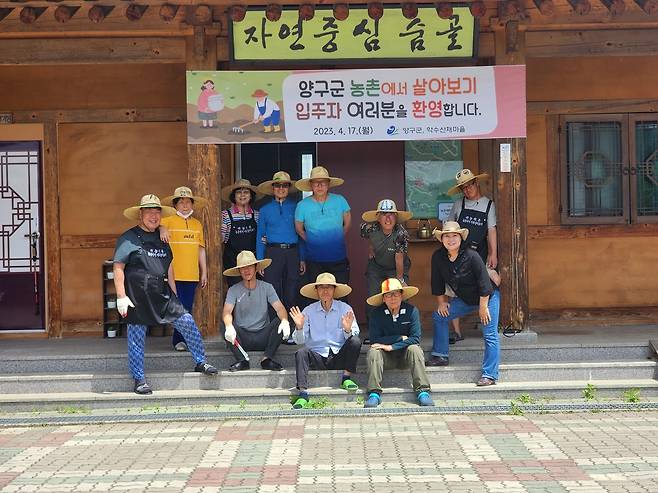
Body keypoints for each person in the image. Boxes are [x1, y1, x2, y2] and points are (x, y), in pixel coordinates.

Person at [113, 194, 217, 395]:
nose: (153, 216)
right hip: (136, 296)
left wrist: (174, 293)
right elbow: (119, 267)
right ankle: (139, 378)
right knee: (136, 337)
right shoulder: (128, 238)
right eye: (149, 212)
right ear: (140, 214)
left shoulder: (163, 236)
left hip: (162, 293)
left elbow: (168, 267)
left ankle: (200, 361)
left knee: (187, 321)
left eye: (157, 212)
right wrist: (120, 296)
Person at [427, 221, 500, 387]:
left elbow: (485, 285)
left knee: (489, 333)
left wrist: (483, 308)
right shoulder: (438, 257)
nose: (451, 239)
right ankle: (440, 355)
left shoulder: (472, 256)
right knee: (439, 316)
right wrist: (441, 303)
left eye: (454, 235)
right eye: (447, 236)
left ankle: (489, 374)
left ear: (460, 238)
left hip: (487, 297)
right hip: (466, 299)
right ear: (441, 239)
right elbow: (436, 283)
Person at [288, 273, 361, 409]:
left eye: (329, 287)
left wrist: (347, 330)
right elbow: (299, 341)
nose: (325, 291)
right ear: (316, 291)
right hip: (318, 357)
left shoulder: (345, 308)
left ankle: (346, 378)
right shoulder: (308, 311)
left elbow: (355, 333)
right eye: (321, 287)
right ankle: (303, 394)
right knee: (301, 352)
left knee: (355, 341)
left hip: (339, 356)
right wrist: (299, 327)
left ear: (334, 290)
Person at [443, 168, 498, 344]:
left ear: (476, 183)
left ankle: (488, 327)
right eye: (463, 188)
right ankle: (457, 332)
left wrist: (493, 253)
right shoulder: (459, 205)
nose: (467, 190)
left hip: (480, 254)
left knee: (488, 287)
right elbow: (449, 227)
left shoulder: (489, 205)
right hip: (459, 254)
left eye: (469, 185)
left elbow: (491, 230)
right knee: (452, 291)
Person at [364, 278, 433, 408]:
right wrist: (400, 338)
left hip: (406, 357)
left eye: (396, 294)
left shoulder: (412, 311)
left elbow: (415, 338)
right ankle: (374, 393)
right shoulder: (376, 314)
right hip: (385, 359)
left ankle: (423, 391)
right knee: (374, 351)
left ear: (402, 295)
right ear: (383, 298)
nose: (392, 298)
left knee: (415, 349)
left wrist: (392, 346)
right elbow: (374, 339)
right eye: (388, 295)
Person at [222, 250, 291, 371]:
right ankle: (242, 359)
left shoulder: (267, 287)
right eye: (243, 268)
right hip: (243, 336)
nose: (246, 270)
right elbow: (227, 311)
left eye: (249, 266)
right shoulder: (233, 290)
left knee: (282, 320)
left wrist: (285, 321)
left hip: (263, 335)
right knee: (224, 323)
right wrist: (228, 326)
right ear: (239, 271)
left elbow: (279, 308)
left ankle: (267, 359)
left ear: (256, 267)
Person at [160, 186, 208, 352]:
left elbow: (201, 249)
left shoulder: (197, 224)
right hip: (173, 273)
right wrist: (162, 228)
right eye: (181, 202)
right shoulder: (167, 221)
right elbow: (154, 227)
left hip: (192, 274)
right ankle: (179, 340)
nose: (185, 205)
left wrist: (204, 272)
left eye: (188, 202)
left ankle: (183, 339)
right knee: (176, 307)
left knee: (187, 307)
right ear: (175, 205)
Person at [294, 166, 351, 291]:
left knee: (341, 294)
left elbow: (347, 223)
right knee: (316, 296)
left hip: (338, 258)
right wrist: (312, 240)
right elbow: (299, 229)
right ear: (311, 185)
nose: (319, 185)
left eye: (323, 182)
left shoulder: (340, 200)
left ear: (328, 184)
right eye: (316, 182)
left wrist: (337, 237)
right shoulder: (302, 205)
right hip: (314, 260)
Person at [256, 171, 305, 313]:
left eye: (284, 185)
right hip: (272, 252)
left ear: (289, 188)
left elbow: (301, 233)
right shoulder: (264, 210)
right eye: (277, 185)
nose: (281, 188)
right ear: (273, 188)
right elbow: (260, 236)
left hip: (292, 251)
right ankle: (275, 328)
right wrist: (260, 260)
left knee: (292, 290)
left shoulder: (297, 207)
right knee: (273, 290)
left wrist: (302, 258)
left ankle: (293, 326)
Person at [361, 199, 412, 316]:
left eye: (391, 215)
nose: (387, 218)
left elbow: (398, 259)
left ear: (396, 217)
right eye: (384, 214)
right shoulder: (369, 228)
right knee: (373, 297)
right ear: (378, 217)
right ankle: (374, 330)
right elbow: (367, 236)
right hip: (377, 266)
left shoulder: (401, 234)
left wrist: (401, 280)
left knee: (400, 295)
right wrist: (371, 248)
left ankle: (403, 328)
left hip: (397, 268)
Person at [221, 178, 260, 288]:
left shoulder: (257, 215)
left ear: (251, 195)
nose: (242, 195)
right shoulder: (225, 215)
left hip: (253, 261)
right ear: (233, 196)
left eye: (246, 192)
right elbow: (221, 239)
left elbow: (262, 238)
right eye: (239, 192)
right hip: (233, 262)